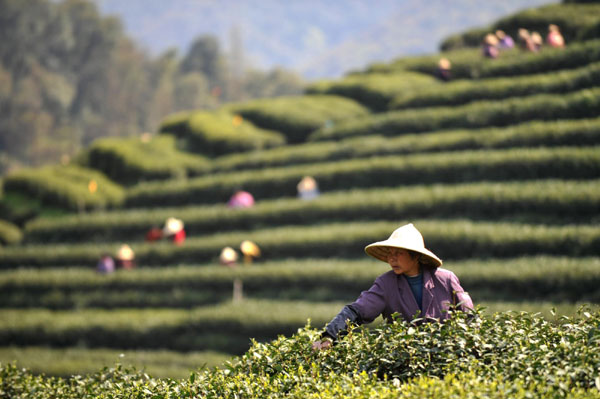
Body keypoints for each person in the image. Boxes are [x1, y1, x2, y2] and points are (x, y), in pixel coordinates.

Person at [313, 223, 473, 350]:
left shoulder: (446, 280)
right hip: (404, 361)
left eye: (398, 253)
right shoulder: (386, 284)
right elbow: (357, 310)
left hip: (446, 356)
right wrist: (329, 336)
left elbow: (470, 318)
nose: (392, 259)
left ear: (416, 255)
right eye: (390, 253)